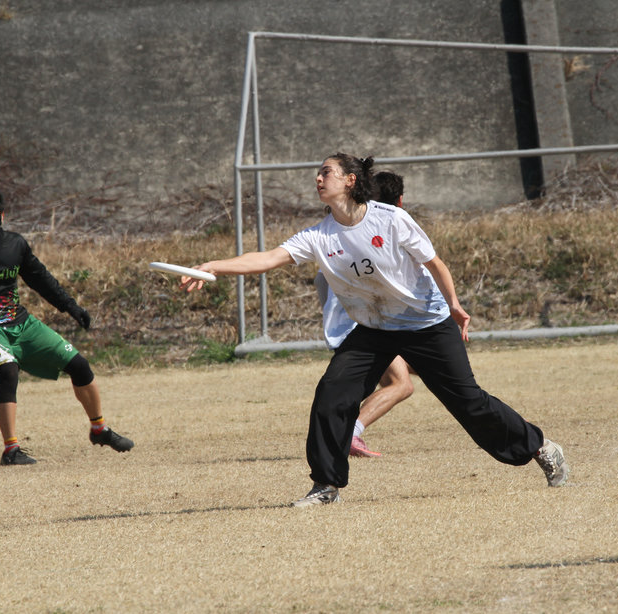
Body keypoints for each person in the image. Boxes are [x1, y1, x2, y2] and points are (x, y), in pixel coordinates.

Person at [180, 153, 569, 506]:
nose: (318, 178)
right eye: (318, 174)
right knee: (332, 394)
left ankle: (540, 447)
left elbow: (434, 263)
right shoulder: (319, 236)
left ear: (350, 180)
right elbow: (267, 258)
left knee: (469, 403)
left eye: (326, 172)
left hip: (426, 323)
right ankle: (325, 486)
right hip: (374, 329)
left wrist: (453, 304)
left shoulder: (391, 219)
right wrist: (213, 266)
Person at [0, 186, 134, 465]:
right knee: (7, 372)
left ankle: (100, 429)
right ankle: (11, 450)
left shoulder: (15, 245)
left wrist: (71, 306)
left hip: (21, 322)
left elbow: (40, 278)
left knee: (79, 365)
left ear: (2, 214)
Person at [314, 170, 415, 458]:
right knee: (400, 385)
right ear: (400, 201)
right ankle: (350, 433)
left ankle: (345, 431)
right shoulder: (387, 232)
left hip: (354, 325)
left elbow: (320, 281)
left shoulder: (342, 233)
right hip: (367, 327)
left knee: (411, 369)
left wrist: (333, 315)